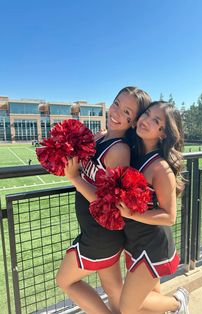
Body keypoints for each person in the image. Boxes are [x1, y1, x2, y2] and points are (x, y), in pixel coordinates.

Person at [56, 87, 151, 314]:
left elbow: (109, 203)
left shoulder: (119, 150)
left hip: (100, 237)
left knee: (64, 281)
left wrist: (74, 178)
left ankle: (175, 303)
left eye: (126, 111)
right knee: (117, 295)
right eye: (116, 103)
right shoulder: (101, 136)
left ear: (134, 121)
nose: (117, 112)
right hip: (102, 233)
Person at [116, 101, 189, 314]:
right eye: (146, 114)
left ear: (163, 133)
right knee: (149, 300)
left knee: (128, 306)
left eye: (155, 120)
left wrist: (132, 213)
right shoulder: (134, 153)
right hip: (134, 241)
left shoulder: (161, 168)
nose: (146, 121)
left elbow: (170, 216)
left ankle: (178, 303)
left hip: (152, 246)